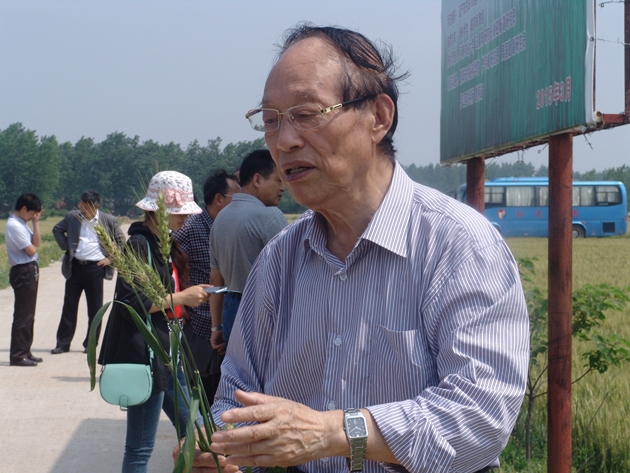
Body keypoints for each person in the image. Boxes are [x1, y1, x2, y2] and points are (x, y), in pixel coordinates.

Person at [184, 25, 529, 473]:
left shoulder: (458, 245)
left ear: (378, 117)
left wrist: (335, 432)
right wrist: (216, 442)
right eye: (270, 119)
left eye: (306, 113)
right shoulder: (279, 259)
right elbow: (237, 391)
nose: (284, 140)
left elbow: (481, 416)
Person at [99, 171, 210, 473]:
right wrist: (182, 297)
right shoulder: (139, 244)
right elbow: (131, 304)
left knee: (197, 430)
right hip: (147, 357)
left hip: (169, 355)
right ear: (157, 211)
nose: (185, 218)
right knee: (140, 449)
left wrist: (187, 295)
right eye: (179, 211)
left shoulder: (164, 243)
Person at [209, 150, 287, 351]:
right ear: (257, 180)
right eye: (278, 180)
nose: (283, 187)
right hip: (263, 311)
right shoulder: (270, 216)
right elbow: (289, 274)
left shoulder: (220, 219)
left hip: (230, 308)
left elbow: (215, 280)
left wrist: (216, 326)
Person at [173, 169, 240, 402]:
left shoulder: (232, 227)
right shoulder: (190, 227)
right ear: (219, 199)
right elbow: (170, 265)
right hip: (199, 325)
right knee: (201, 394)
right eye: (236, 197)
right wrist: (181, 300)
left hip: (226, 323)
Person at [51, 190, 125, 354]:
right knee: (69, 307)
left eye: (85, 208)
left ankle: (90, 344)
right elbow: (57, 230)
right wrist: (67, 247)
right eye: (81, 206)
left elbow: (121, 242)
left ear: (95, 207)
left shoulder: (108, 220)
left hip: (95, 269)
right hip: (75, 267)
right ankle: (63, 344)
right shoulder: (72, 217)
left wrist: (111, 259)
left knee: (95, 309)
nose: (82, 211)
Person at [6, 193, 43, 367]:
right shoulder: (14, 225)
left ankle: (25, 350)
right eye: (32, 214)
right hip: (23, 271)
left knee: (29, 314)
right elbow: (31, 250)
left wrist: (35, 223)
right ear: (23, 209)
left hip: (29, 269)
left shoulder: (22, 223)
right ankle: (17, 355)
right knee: (23, 314)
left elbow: (37, 243)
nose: (32, 217)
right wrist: (33, 247)